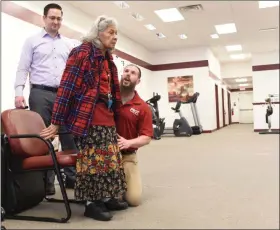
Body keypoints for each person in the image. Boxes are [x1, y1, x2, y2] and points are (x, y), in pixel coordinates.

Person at [40, 15, 127, 221]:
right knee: (93, 161)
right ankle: (91, 203)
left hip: (106, 114)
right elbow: (66, 88)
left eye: (116, 33)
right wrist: (56, 121)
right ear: (98, 32)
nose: (115, 37)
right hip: (88, 115)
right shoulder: (81, 53)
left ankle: (106, 196)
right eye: (111, 32)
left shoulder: (108, 59)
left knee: (110, 159)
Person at [14, 3, 77, 195]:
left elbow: (73, 72)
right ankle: (47, 182)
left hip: (64, 95)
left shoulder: (68, 43)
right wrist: (19, 92)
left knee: (68, 135)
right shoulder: (32, 41)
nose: (56, 22)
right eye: (52, 18)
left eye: (59, 18)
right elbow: (23, 68)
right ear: (44, 18)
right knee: (44, 137)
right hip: (40, 93)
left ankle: (72, 179)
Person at [116, 64, 153, 207]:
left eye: (133, 73)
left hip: (127, 155)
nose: (128, 74)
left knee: (134, 200)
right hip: (106, 154)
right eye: (126, 71)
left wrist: (128, 143)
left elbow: (147, 137)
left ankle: (125, 183)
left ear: (138, 81)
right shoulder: (109, 98)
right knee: (112, 198)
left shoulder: (142, 107)